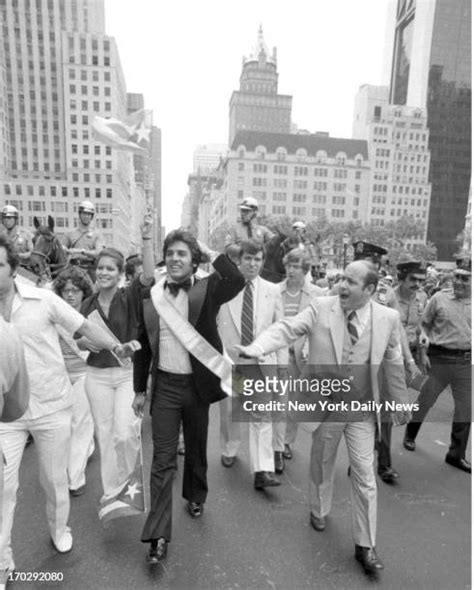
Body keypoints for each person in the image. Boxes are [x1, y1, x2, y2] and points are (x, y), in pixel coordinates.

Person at [237, 260, 409, 575]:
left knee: (364, 474)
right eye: (342, 278)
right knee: (322, 462)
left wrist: (399, 401)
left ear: (369, 290)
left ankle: (365, 545)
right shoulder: (321, 307)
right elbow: (287, 328)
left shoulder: (388, 318)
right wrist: (257, 346)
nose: (342, 285)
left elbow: (393, 358)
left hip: (361, 409)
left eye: (352, 282)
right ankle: (319, 508)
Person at [0, 234, 133, 574]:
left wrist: (116, 347)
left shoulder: (43, 300)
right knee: (4, 486)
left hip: (52, 409)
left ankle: (59, 529)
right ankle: (3, 559)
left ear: (13, 269)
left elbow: (84, 326)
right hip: (6, 417)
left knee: (53, 481)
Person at [132, 229, 244, 565]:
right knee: (162, 461)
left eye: (182, 253)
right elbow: (143, 346)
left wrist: (208, 252)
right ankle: (158, 535)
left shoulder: (207, 289)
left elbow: (236, 279)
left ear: (193, 260)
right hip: (165, 387)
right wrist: (139, 389)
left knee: (196, 446)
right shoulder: (152, 297)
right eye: (171, 253)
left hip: (197, 387)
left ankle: (196, 494)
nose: (175, 259)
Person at [79, 223, 154, 507]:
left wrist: (146, 239)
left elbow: (148, 276)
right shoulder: (87, 305)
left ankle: (127, 479)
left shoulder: (129, 296)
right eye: (100, 268)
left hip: (126, 376)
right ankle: (112, 491)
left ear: (121, 274)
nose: (104, 273)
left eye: (111, 269)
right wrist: (83, 344)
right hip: (96, 376)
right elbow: (78, 339)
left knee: (124, 433)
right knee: (105, 434)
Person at [218, 239, 287, 484]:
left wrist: (281, 366)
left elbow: (280, 331)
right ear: (239, 260)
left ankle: (263, 470)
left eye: (258, 259)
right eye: (248, 258)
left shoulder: (273, 290)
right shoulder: (225, 288)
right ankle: (230, 447)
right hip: (233, 363)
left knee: (262, 416)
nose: (253, 264)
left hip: (261, 363)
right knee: (232, 410)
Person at [404, 257, 471, 473]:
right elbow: (423, 326)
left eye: (466, 278)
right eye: (458, 277)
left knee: (466, 408)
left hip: (465, 361)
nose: (460, 282)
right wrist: (422, 352)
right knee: (426, 400)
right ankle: (410, 433)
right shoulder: (439, 299)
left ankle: (456, 454)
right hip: (439, 358)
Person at [53, 267, 96, 496]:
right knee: (66, 426)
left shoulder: (92, 316)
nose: (70, 294)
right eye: (66, 290)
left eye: (75, 290)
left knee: (81, 424)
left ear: (83, 292)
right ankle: (88, 449)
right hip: (59, 378)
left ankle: (75, 479)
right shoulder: (53, 316)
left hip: (84, 375)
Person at [278, 248, 323, 463]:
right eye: (289, 265)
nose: (291, 270)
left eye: (296, 266)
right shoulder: (274, 291)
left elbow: (321, 326)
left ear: (305, 270)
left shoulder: (318, 294)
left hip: (301, 358)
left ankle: (285, 442)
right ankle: (275, 444)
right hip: (277, 355)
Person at [61, 200, 105, 281]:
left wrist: (82, 251)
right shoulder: (70, 233)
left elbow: (99, 253)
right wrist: (64, 249)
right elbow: (62, 248)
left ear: (92, 216)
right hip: (72, 267)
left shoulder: (97, 234)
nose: (86, 216)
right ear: (80, 214)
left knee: (96, 290)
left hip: (89, 269)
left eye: (89, 214)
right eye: (84, 213)